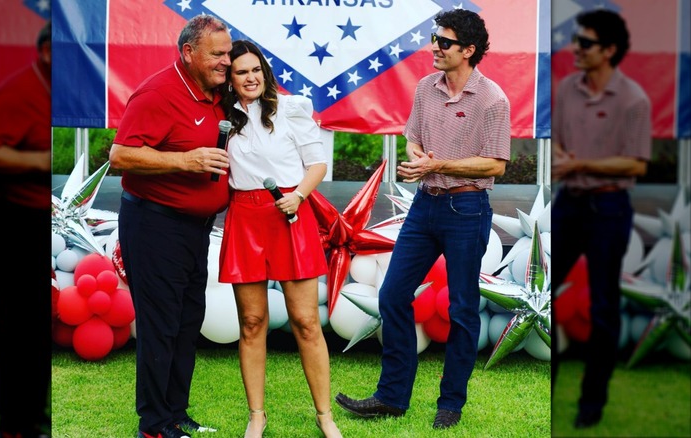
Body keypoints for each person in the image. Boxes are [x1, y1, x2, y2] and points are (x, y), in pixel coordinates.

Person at [335, 9, 510, 429]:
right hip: (424, 206)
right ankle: (392, 398)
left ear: (468, 51)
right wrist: (419, 162)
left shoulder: (492, 99)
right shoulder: (425, 89)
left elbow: (496, 165)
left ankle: (451, 403)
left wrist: (437, 165)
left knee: (463, 309)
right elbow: (413, 139)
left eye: (444, 42)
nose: (434, 47)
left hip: (467, 209)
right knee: (392, 295)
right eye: (435, 38)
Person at [108, 15, 232, 438]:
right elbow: (120, 155)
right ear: (188, 53)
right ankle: (154, 425)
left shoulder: (215, 92)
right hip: (155, 224)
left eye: (228, 52)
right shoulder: (157, 92)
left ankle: (177, 414)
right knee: (161, 325)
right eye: (217, 54)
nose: (226, 61)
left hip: (195, 229)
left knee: (186, 322)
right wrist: (185, 160)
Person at [217, 40, 342, 438]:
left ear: (265, 73)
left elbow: (318, 163)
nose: (250, 78)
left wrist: (299, 195)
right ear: (231, 79)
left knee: (306, 322)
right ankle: (257, 415)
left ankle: (325, 417)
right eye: (241, 72)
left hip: (290, 213)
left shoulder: (291, 108)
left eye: (256, 70)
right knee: (252, 323)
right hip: (245, 218)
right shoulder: (223, 116)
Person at [550, 9, 650, 429]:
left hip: (609, 209)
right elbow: (557, 144)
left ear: (609, 50)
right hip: (569, 205)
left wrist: (580, 165)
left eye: (585, 43)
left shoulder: (634, 99)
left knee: (604, 307)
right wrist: (562, 161)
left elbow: (637, 164)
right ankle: (548, 385)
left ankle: (592, 403)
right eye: (576, 40)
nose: (576, 48)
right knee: (543, 297)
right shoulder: (567, 89)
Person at [0, 21, 52, 438]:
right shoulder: (18, 92)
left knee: (36, 323)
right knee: (18, 325)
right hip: (9, 220)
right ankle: (14, 423)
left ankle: (32, 413)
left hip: (36, 219)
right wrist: (40, 163)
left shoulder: (54, 90)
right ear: (49, 52)